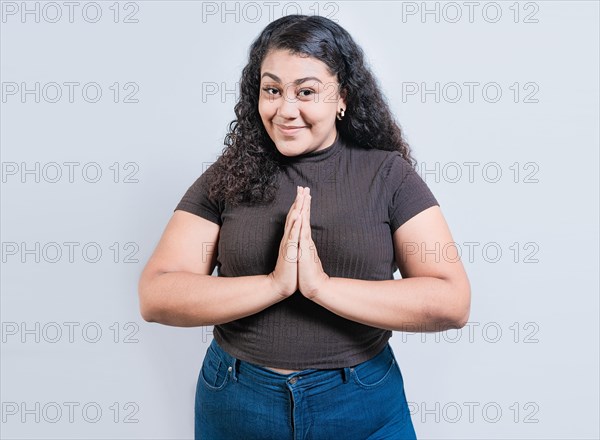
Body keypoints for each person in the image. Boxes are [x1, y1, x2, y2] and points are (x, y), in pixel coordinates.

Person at [138, 14, 471, 440]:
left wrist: (320, 288)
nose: (285, 110)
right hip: (237, 401)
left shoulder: (387, 176)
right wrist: (275, 285)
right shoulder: (229, 174)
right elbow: (156, 295)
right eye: (272, 90)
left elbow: (451, 301)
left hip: (359, 402)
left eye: (307, 92)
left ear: (342, 97)